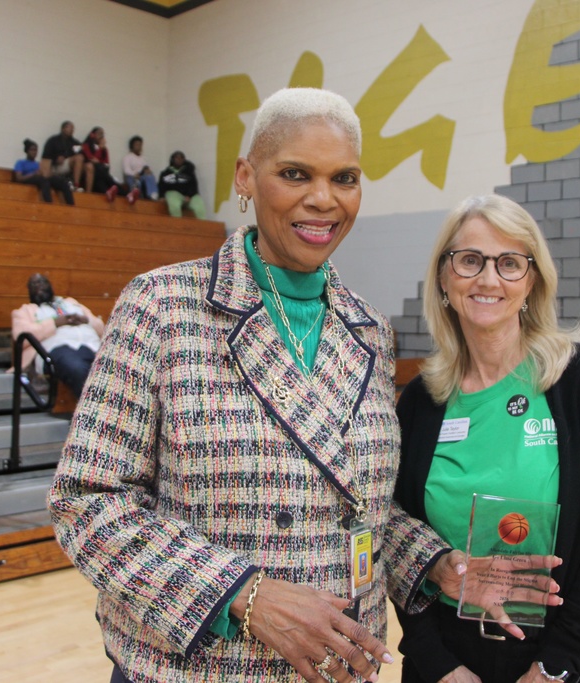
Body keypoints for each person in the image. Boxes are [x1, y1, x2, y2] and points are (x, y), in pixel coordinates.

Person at [49, 88, 438, 683]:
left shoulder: (370, 330)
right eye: (295, 174)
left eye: (345, 178)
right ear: (247, 177)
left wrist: (441, 566)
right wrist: (243, 595)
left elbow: (362, 511)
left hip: (339, 667)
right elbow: (87, 499)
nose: (322, 200)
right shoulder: (163, 306)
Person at [385, 194, 580, 683]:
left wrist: (555, 666)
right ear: (444, 278)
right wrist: (438, 663)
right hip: (450, 662)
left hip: (569, 660)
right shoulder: (421, 402)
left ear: (532, 282)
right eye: (469, 260)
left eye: (509, 263)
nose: (488, 279)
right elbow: (399, 539)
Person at [11, 273, 104, 399]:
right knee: (78, 369)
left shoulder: (72, 303)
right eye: (34, 284)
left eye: (42, 282)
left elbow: (102, 328)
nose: (39, 285)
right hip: (58, 350)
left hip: (92, 346)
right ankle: (93, 414)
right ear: (29, 291)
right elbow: (21, 336)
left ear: (50, 286)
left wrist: (86, 320)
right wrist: (55, 323)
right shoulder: (26, 311)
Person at [13, 139, 74, 205]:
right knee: (44, 181)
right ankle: (49, 204)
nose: (34, 152)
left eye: (35, 150)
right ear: (27, 151)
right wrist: (34, 174)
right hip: (28, 179)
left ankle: (71, 206)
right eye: (32, 150)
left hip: (40, 178)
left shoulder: (38, 164)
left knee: (63, 182)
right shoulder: (20, 162)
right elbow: (19, 178)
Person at [158, 150, 208, 219]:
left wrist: (189, 195)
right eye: (177, 158)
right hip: (174, 194)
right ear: (172, 159)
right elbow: (161, 186)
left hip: (189, 196)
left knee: (200, 206)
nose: (179, 160)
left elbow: (194, 184)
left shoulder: (189, 171)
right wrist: (161, 196)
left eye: (181, 158)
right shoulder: (165, 173)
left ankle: (203, 226)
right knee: (174, 205)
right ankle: (178, 226)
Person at [81, 126, 124, 203]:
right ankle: (125, 194)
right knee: (106, 178)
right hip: (89, 176)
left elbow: (106, 165)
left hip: (101, 176)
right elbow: (91, 159)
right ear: (93, 134)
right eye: (99, 133)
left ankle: (114, 193)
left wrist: (101, 151)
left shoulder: (104, 149)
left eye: (103, 134)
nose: (101, 136)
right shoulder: (86, 145)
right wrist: (100, 148)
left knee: (101, 182)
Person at [40, 121, 85, 192]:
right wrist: (56, 159)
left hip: (67, 166)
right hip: (53, 167)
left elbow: (81, 154)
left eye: (73, 129)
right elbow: (46, 157)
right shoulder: (53, 140)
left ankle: (76, 185)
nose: (72, 130)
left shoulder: (75, 143)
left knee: (80, 158)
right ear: (63, 128)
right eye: (70, 128)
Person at [122, 135, 159, 203]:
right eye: (136, 144)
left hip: (142, 176)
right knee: (133, 180)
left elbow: (146, 168)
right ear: (132, 146)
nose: (139, 146)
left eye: (140, 144)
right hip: (132, 176)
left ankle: (153, 195)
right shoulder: (128, 157)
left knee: (150, 176)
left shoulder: (144, 158)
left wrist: (148, 171)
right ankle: (135, 194)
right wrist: (134, 174)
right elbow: (126, 170)